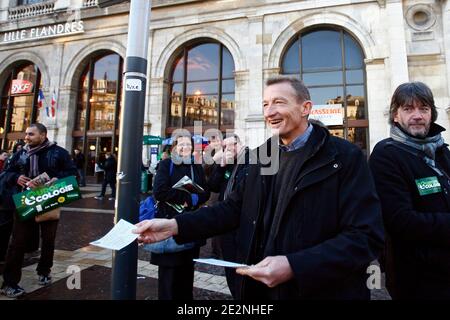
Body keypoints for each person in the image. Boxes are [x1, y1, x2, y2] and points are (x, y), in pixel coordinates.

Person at [134, 77, 384, 300]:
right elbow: (233, 209)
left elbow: (365, 236)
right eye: (265, 104)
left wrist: (294, 266)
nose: (270, 112)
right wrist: (176, 226)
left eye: (279, 102)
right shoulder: (263, 155)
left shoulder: (344, 156)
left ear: (305, 107)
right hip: (262, 289)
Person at [369, 82, 450, 299]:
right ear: (395, 115)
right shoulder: (386, 155)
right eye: (408, 109)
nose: (417, 116)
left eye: (423, 109)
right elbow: (401, 221)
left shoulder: (441, 150)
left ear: (432, 114)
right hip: (421, 281)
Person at [0, 123, 77, 298]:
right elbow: (5, 173)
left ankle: (44, 270)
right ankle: (9, 283)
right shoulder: (20, 153)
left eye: (31, 134)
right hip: (25, 201)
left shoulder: (59, 152)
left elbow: (73, 174)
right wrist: (16, 177)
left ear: (43, 135)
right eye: (26, 134)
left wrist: (57, 179)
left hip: (50, 199)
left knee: (49, 239)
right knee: (17, 242)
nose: (26, 137)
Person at [151, 133, 210, 300]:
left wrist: (196, 198)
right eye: (181, 144)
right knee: (169, 281)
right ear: (174, 147)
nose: (185, 148)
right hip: (169, 225)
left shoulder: (195, 166)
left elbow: (205, 191)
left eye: (188, 145)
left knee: (186, 276)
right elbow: (159, 191)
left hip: (190, 226)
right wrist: (186, 198)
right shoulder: (166, 164)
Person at [207, 134, 250, 298]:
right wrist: (221, 166)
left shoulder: (249, 160)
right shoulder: (227, 164)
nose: (227, 150)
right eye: (225, 147)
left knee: (241, 264)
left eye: (230, 146)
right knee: (229, 264)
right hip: (226, 219)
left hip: (242, 219)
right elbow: (213, 186)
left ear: (239, 143)